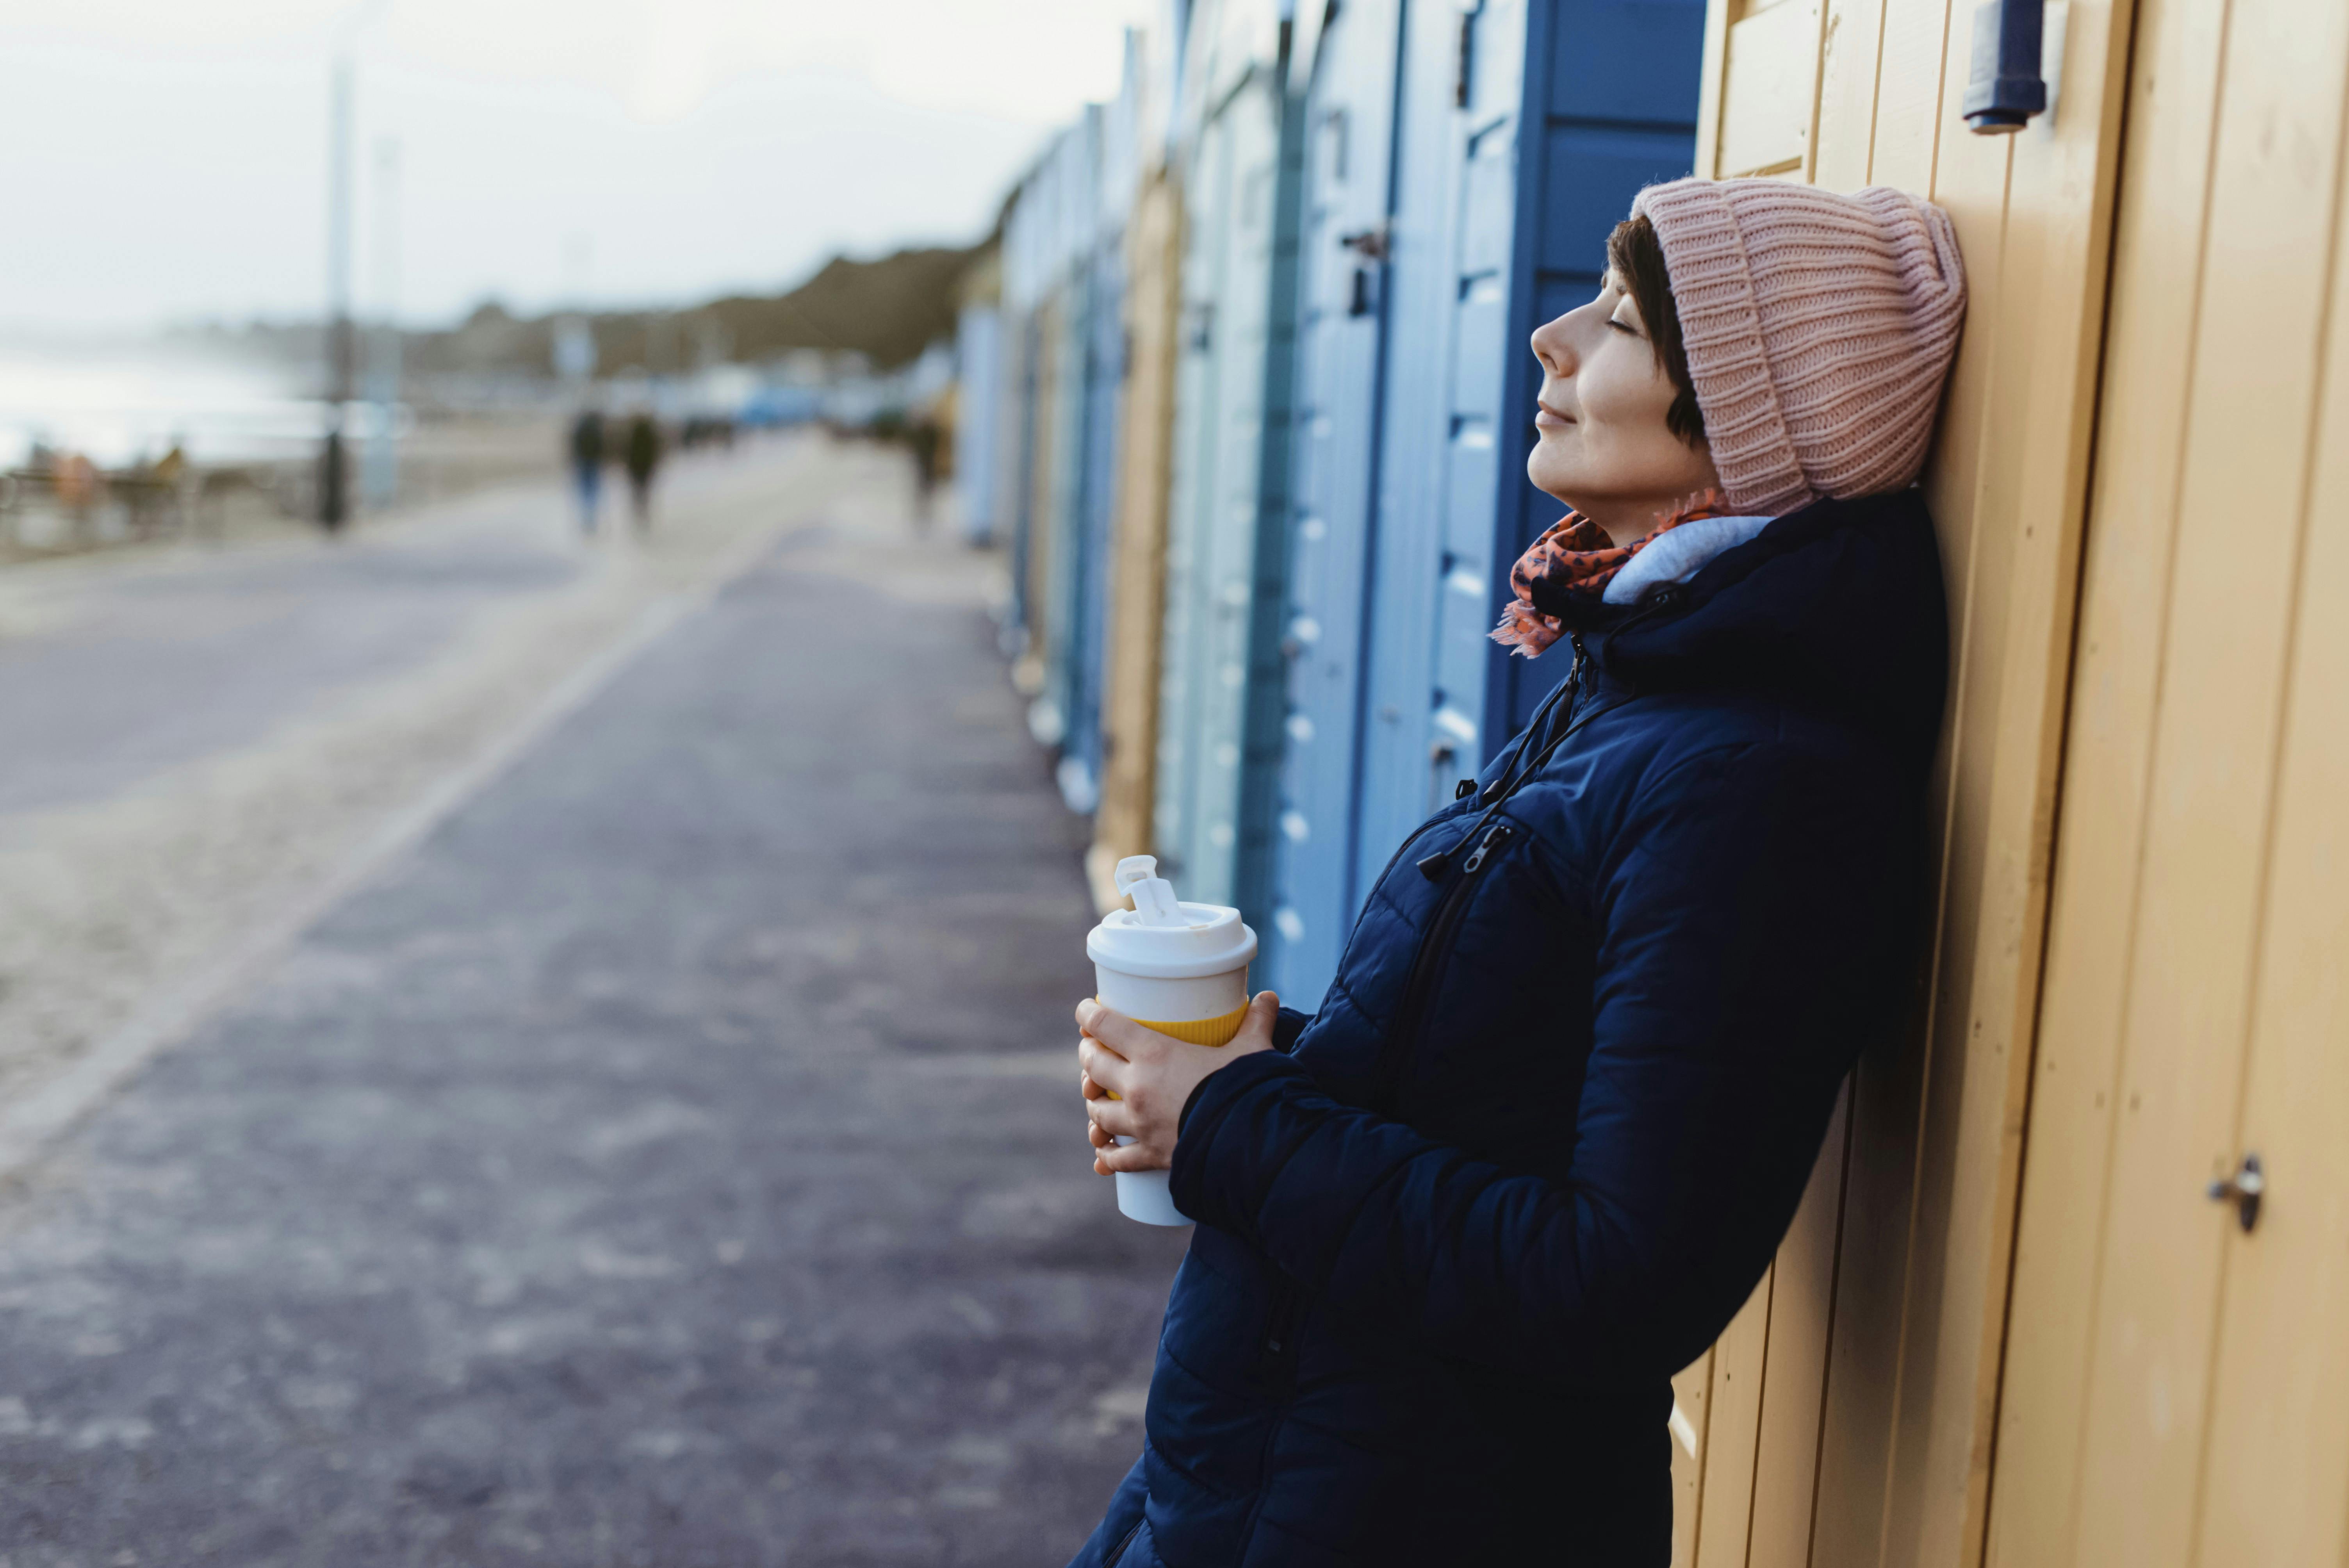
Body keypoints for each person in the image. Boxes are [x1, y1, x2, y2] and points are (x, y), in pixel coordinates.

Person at [1069, 177, 1967, 1565]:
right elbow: (1512, 1096)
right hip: (1273, 1481)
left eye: (1617, 320)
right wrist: (1246, 1076)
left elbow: (1611, 1280)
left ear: (1740, 406)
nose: (1550, 337)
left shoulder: (1755, 783)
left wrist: (1236, 1125)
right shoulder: (1637, 680)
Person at [622, 412, 662, 529]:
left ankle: (639, 508)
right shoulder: (649, 434)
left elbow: (628, 452)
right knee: (643, 489)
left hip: (636, 467)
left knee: (637, 490)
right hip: (645, 467)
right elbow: (653, 451)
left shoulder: (632, 434)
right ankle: (643, 508)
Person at [568, 407, 604, 533]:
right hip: (592, 462)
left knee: (585, 492)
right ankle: (591, 518)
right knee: (593, 492)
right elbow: (600, 446)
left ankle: (587, 518)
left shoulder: (581, 429)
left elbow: (575, 445)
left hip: (584, 462)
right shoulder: (595, 429)